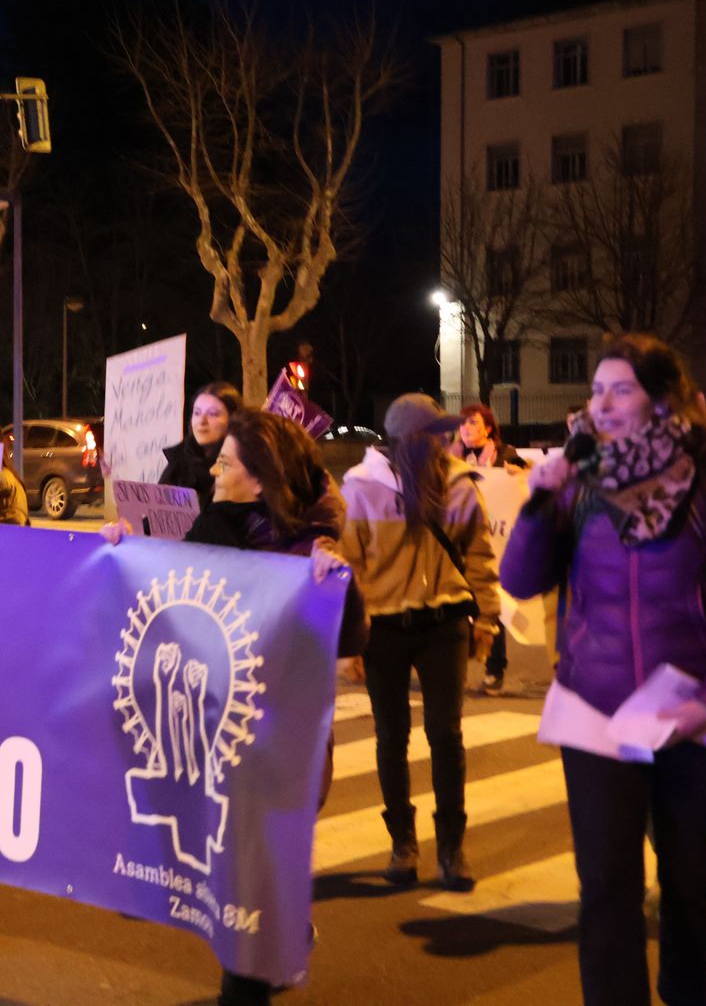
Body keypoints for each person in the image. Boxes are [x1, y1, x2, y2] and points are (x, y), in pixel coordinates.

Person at [500, 335, 706, 1006]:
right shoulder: (577, 478)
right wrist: (537, 502)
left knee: (690, 884)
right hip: (596, 710)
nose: (603, 404)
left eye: (621, 389)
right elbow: (522, 579)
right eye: (597, 390)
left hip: (691, 715)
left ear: (663, 400)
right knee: (606, 889)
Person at [112, 408, 369, 1006]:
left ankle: (254, 968)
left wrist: (338, 584)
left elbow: (352, 639)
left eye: (225, 464)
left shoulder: (315, 541)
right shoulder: (213, 527)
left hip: (282, 739)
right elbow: (165, 595)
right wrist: (123, 550)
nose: (213, 472)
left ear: (259, 478)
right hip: (214, 731)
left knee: (254, 866)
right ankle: (276, 939)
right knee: (239, 869)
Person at [338, 393, 501, 893]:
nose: (445, 440)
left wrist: (487, 620)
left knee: (445, 734)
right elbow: (349, 567)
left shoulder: (459, 484)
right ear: (409, 439)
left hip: (444, 623)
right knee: (391, 737)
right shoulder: (361, 487)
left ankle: (451, 848)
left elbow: (479, 555)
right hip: (383, 629)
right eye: (435, 433)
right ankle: (402, 844)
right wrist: (350, 641)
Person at [447, 403, 528, 694]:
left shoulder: (505, 455)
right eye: (463, 424)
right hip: (458, 541)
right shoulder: (449, 458)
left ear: (488, 428)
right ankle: (453, 669)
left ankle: (495, 669)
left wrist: (517, 472)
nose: (466, 429)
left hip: (494, 543)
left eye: (473, 423)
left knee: (492, 604)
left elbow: (526, 476)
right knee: (455, 606)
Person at [159, 382, 242, 509]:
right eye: (197, 413)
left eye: (213, 414)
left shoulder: (241, 465)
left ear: (233, 419)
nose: (202, 421)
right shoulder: (179, 459)